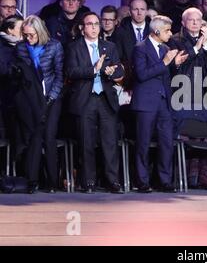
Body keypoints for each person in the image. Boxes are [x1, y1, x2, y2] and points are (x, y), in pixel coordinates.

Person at [169, 7, 207, 190]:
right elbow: (178, 65)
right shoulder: (175, 42)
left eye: (199, 20)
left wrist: (205, 45)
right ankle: (186, 179)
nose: (195, 23)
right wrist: (196, 48)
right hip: (183, 95)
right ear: (183, 23)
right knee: (185, 133)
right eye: (191, 20)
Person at [65, 12, 125, 194]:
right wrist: (94, 69)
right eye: (90, 24)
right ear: (82, 28)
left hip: (105, 99)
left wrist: (111, 72)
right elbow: (71, 72)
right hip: (85, 99)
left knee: (110, 142)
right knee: (86, 142)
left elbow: (118, 70)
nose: (94, 27)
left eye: (96, 24)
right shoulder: (74, 47)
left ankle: (112, 181)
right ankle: (88, 181)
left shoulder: (110, 46)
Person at [131, 15, 187, 193]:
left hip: (164, 103)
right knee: (143, 143)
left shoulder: (165, 48)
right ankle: (142, 181)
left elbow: (165, 74)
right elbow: (141, 74)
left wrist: (174, 65)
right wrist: (165, 62)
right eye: (167, 30)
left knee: (166, 143)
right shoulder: (140, 48)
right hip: (146, 103)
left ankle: (164, 181)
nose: (170, 34)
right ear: (156, 31)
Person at [14, 15, 64, 193]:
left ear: (40, 32)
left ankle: (52, 182)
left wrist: (50, 98)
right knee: (34, 139)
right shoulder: (21, 48)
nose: (28, 38)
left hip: (51, 98)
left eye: (31, 35)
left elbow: (59, 76)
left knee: (49, 138)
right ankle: (32, 181)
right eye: (25, 35)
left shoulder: (54, 46)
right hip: (31, 100)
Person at [0, 16, 23, 140]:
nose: (24, 31)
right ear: (10, 29)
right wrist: (18, 71)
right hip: (5, 97)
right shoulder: (2, 46)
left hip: (19, 98)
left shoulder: (23, 46)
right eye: (21, 28)